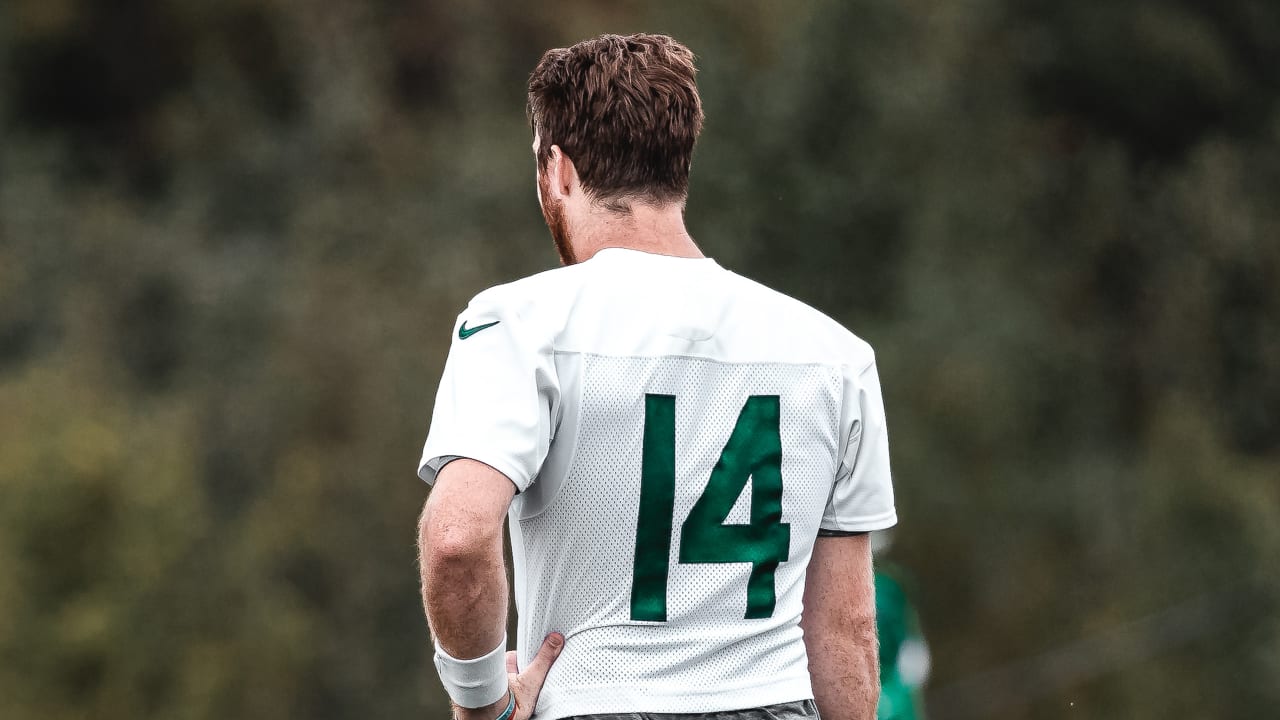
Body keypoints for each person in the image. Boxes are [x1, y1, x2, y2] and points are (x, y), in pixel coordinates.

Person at [416, 33, 897, 720]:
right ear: (680, 167)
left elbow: (456, 539)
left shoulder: (519, 323)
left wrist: (480, 704)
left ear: (557, 168)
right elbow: (845, 631)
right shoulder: (836, 356)